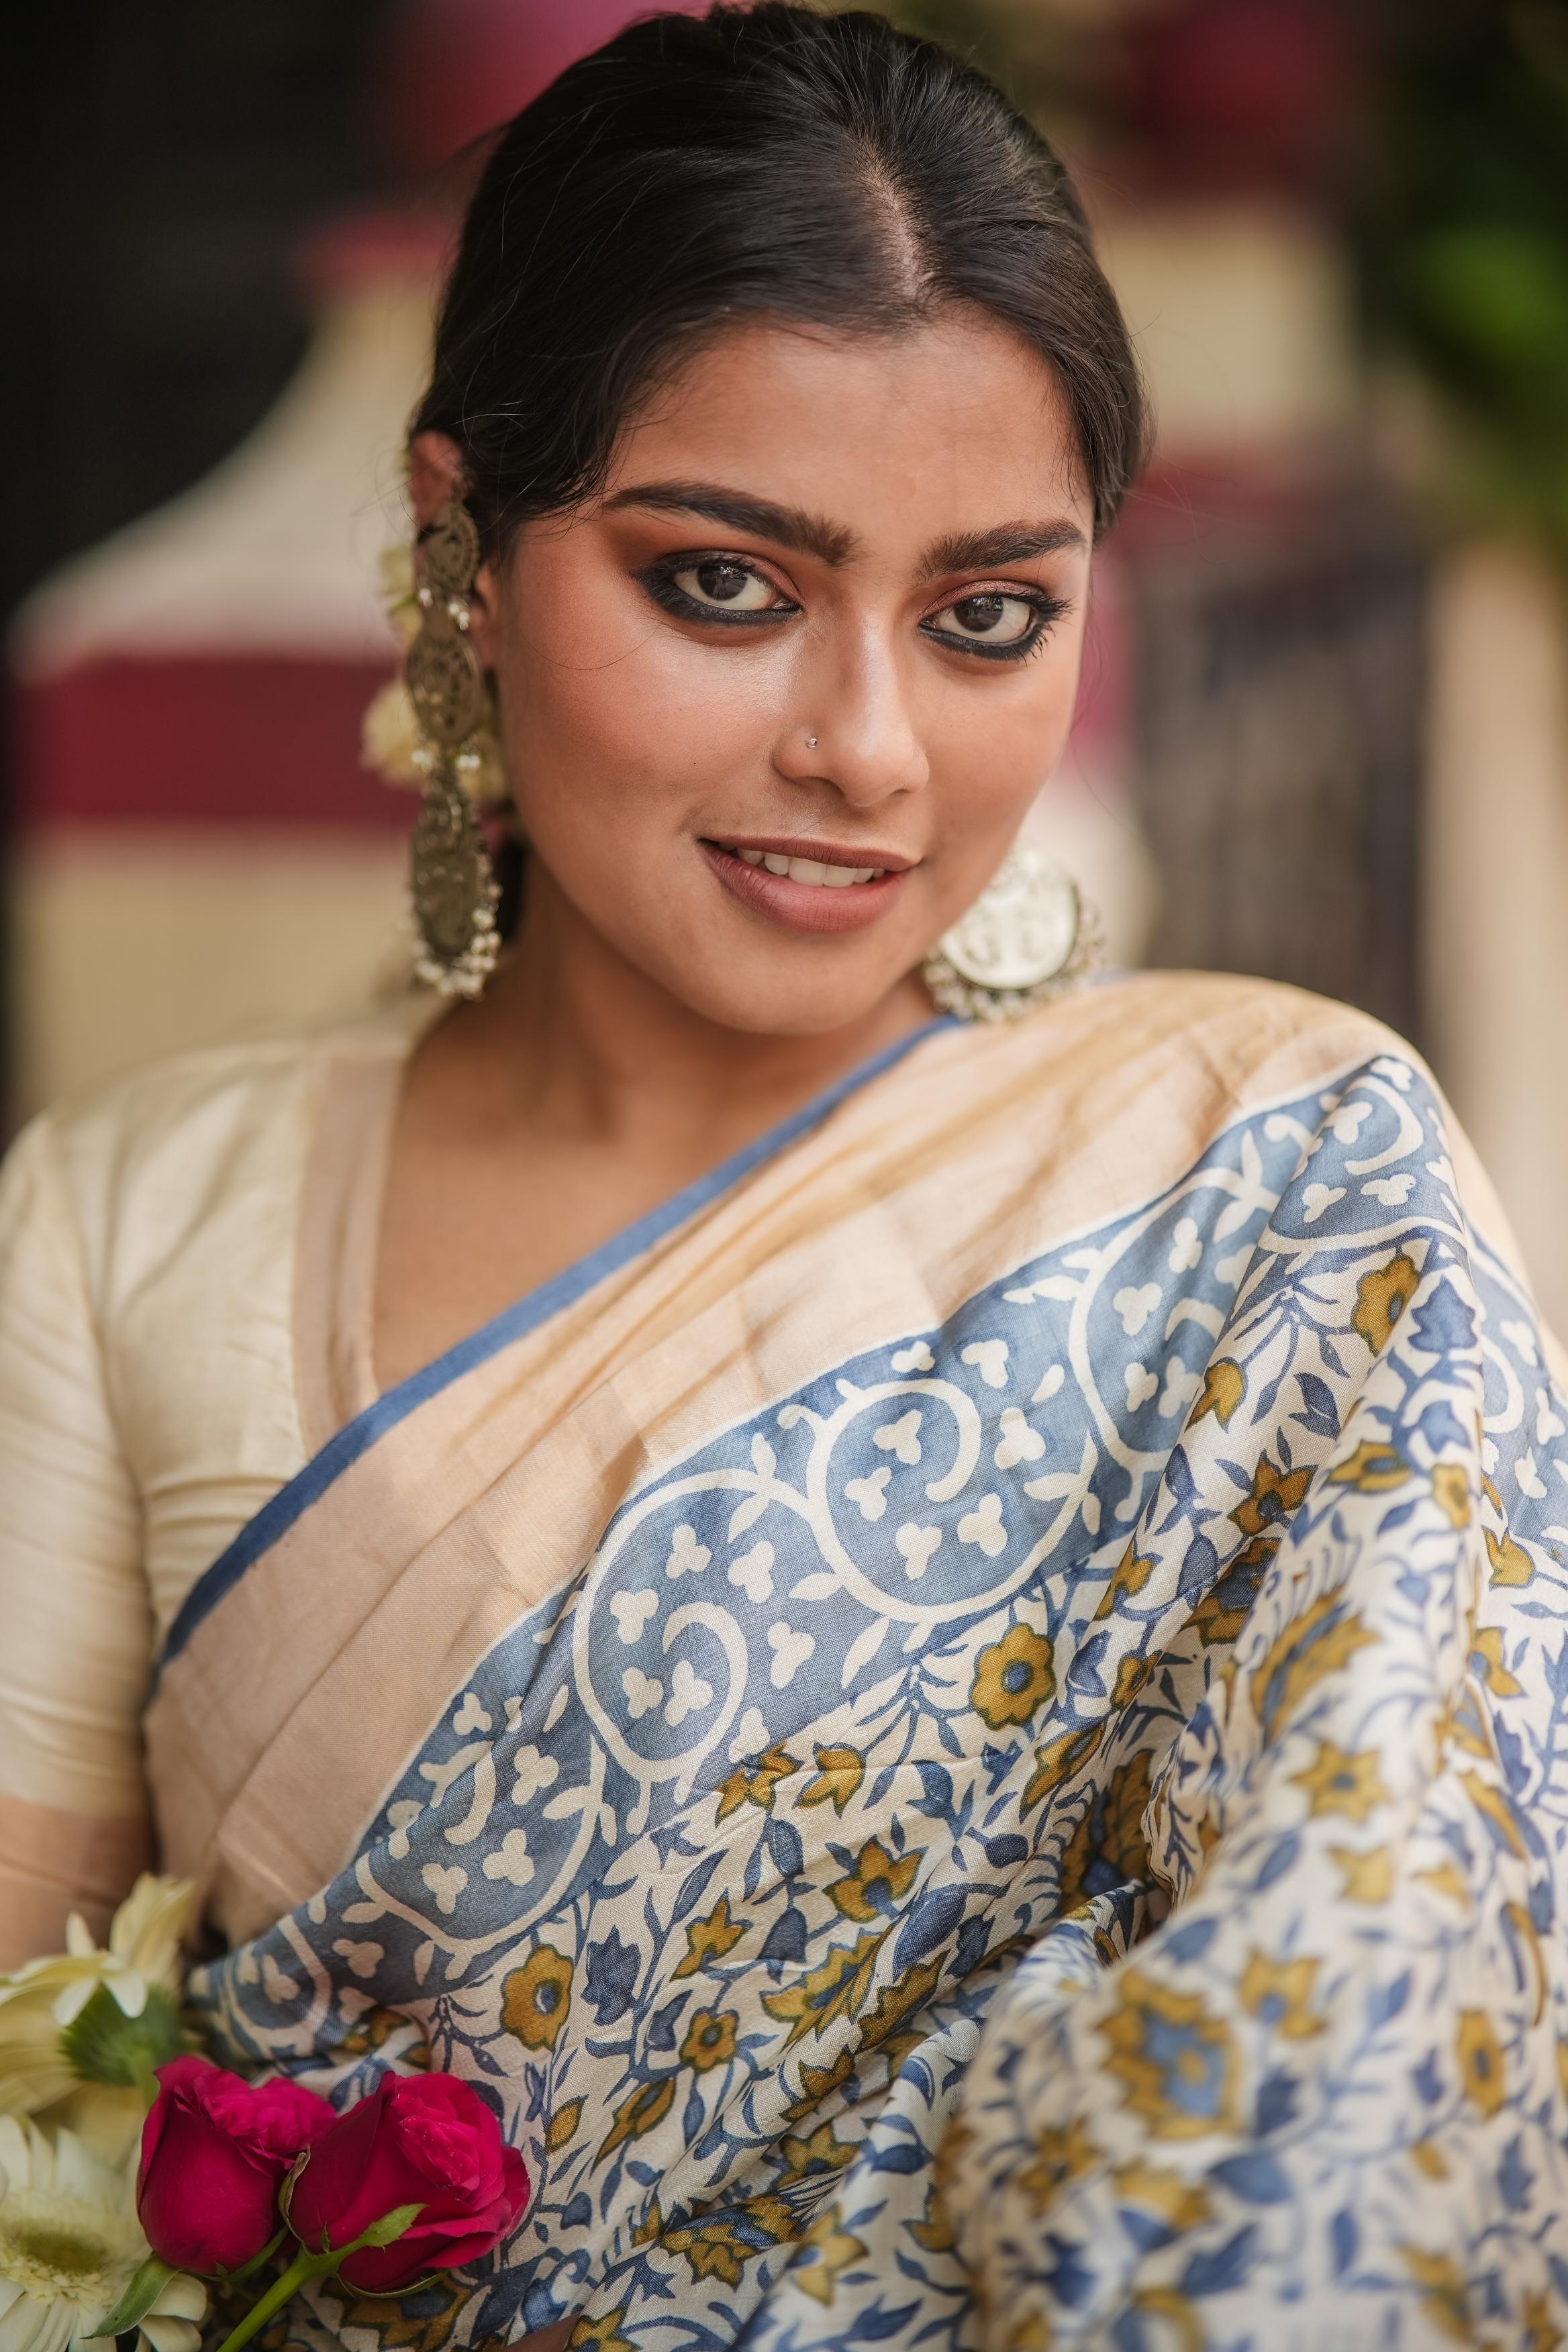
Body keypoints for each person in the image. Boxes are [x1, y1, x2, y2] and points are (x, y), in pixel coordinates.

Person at [3, 7, 1566, 2347]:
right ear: (463, 545)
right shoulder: (137, 1219)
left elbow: (1385, 2060)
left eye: (989, 616)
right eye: (726, 585)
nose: (868, 749)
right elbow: (31, 2130)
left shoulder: (1278, 1180)